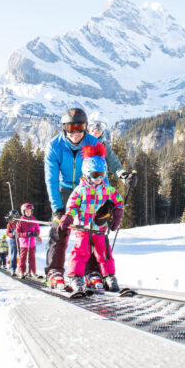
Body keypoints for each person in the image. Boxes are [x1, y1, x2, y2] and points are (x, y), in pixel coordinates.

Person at [44, 108, 136, 289]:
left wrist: (107, 202)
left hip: (91, 189)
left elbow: (104, 170)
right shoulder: (54, 146)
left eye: (80, 127)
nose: (76, 133)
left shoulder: (93, 143)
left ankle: (92, 271)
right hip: (65, 189)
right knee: (59, 227)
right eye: (71, 128)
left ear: (86, 127)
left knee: (97, 229)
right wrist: (58, 208)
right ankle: (54, 271)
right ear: (64, 128)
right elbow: (51, 179)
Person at [59, 143, 124, 293]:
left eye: (102, 174)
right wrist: (68, 217)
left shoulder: (107, 189)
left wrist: (117, 215)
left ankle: (109, 276)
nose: (99, 178)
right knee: (81, 252)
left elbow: (118, 200)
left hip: (100, 229)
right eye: (95, 175)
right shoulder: (80, 190)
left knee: (105, 252)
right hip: (84, 228)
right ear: (87, 174)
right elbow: (72, 205)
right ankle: (75, 277)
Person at [84, 117, 137, 289]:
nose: (97, 130)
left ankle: (102, 271)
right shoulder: (83, 144)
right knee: (87, 234)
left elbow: (115, 165)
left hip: (103, 194)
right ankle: (90, 272)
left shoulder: (105, 146)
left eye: (100, 128)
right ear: (89, 128)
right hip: (86, 193)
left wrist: (124, 176)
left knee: (100, 233)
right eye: (94, 127)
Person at [15, 203, 41, 277]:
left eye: (30, 211)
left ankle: (32, 271)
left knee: (32, 258)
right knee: (23, 258)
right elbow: (18, 233)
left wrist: (36, 233)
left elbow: (38, 230)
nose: (28, 213)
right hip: (24, 243)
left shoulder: (34, 220)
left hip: (32, 243)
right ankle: (21, 271)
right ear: (23, 212)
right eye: (26, 211)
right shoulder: (21, 221)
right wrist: (26, 234)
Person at [5, 210, 20, 276]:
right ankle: (12, 268)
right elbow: (8, 233)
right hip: (13, 240)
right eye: (12, 217)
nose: (13, 218)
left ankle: (22, 269)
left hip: (20, 240)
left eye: (15, 217)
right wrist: (12, 234)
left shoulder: (19, 223)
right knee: (14, 254)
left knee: (22, 255)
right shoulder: (10, 224)